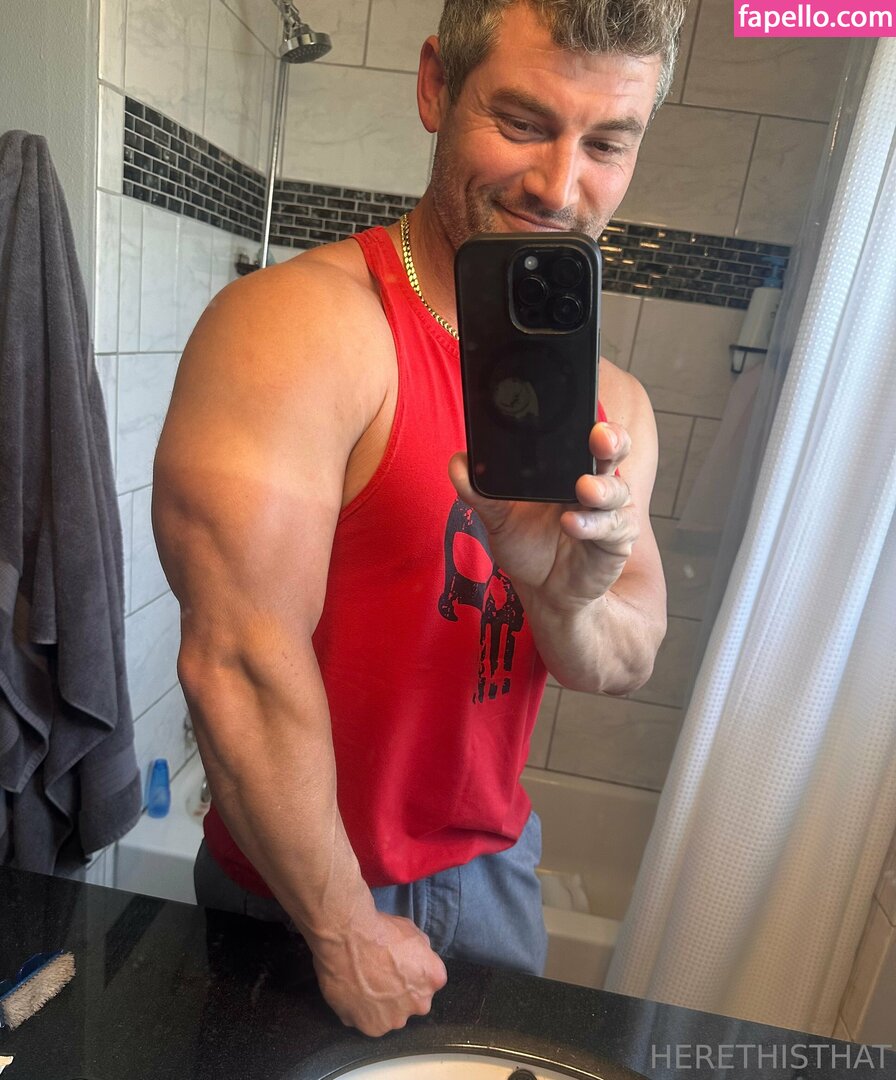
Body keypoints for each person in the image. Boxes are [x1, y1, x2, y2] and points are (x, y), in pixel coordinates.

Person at [152, 0, 679, 1040]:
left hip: (496, 874)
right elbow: (237, 664)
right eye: (522, 122)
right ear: (437, 85)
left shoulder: (613, 402)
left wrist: (561, 594)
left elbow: (623, 660)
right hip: (302, 886)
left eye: (606, 144)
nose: (558, 184)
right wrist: (341, 926)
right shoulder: (296, 329)